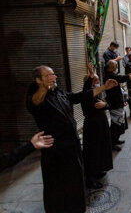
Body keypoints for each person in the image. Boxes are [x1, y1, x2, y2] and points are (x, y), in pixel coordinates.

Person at [26, 65, 118, 213]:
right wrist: (44, 87)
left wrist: (103, 88)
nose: (54, 77)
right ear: (38, 80)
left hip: (72, 146)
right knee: (57, 185)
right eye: (49, 75)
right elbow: (34, 103)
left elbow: (78, 97)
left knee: (75, 181)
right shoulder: (36, 98)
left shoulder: (59, 93)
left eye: (54, 74)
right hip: (55, 150)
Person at [81, 63, 113, 189]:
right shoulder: (86, 94)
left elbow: (106, 104)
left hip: (101, 124)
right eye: (95, 80)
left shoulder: (97, 94)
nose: (98, 81)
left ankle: (99, 170)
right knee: (92, 152)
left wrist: (105, 106)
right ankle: (90, 178)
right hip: (92, 126)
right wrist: (90, 72)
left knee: (101, 148)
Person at [104, 60, 131, 149]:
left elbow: (122, 77)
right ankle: (113, 143)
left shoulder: (111, 74)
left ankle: (116, 139)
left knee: (119, 123)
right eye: (115, 66)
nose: (116, 68)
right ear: (111, 67)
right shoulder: (109, 76)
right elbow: (123, 78)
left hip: (118, 102)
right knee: (116, 124)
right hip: (114, 103)